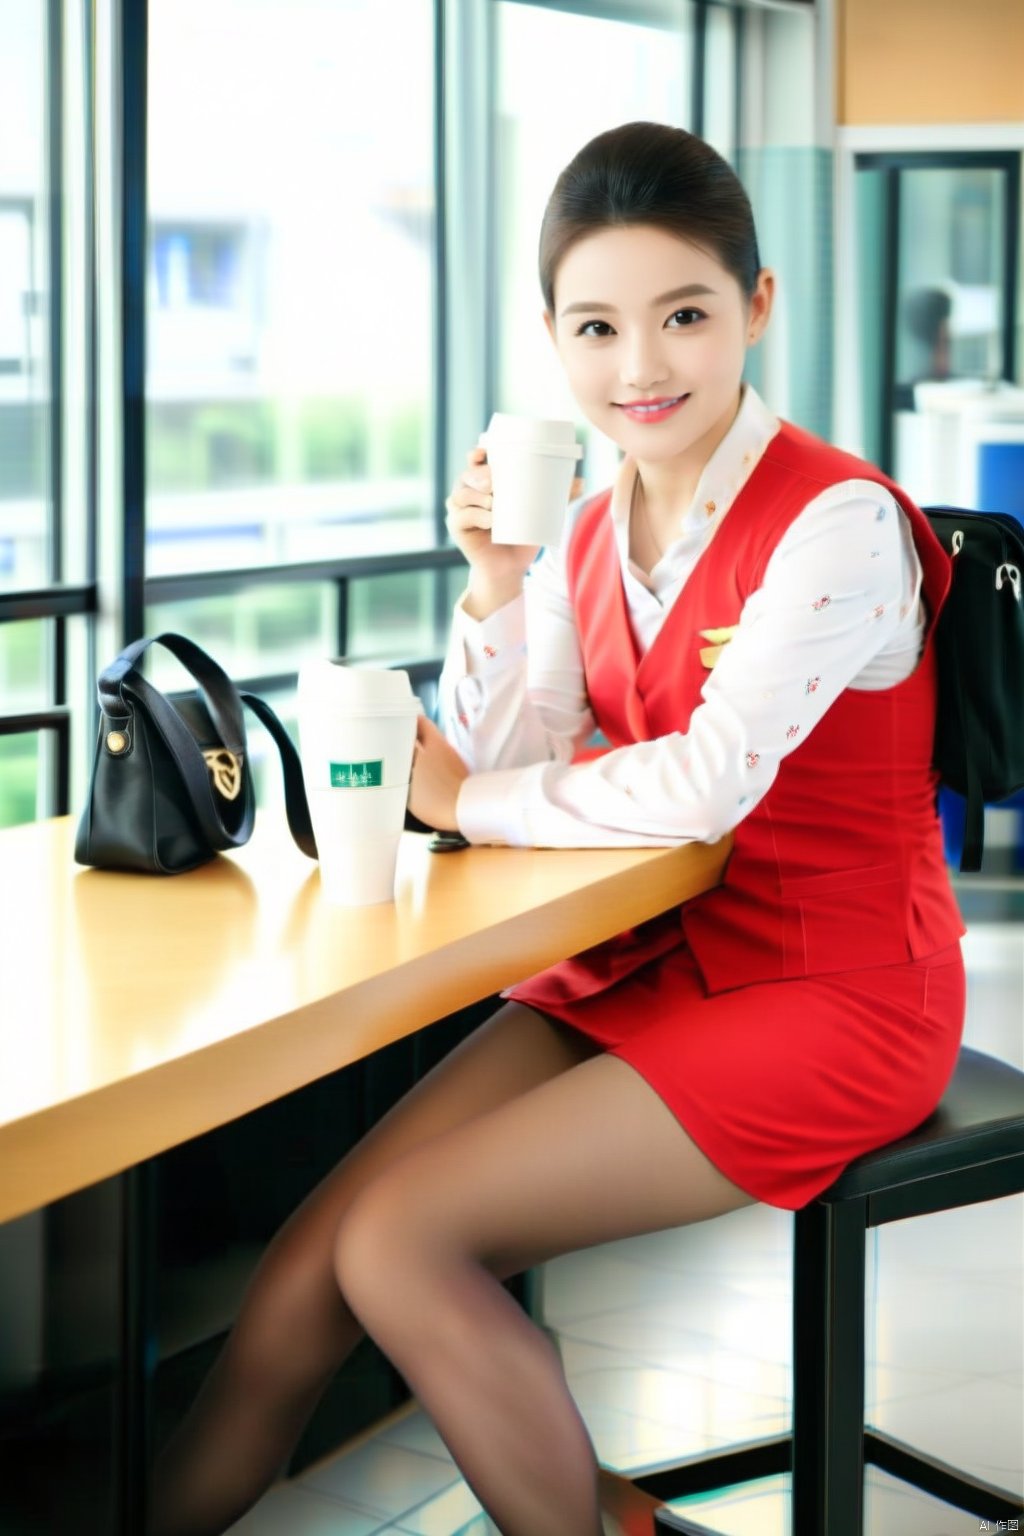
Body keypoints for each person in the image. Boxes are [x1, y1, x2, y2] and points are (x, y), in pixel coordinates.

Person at [149, 121, 965, 1536]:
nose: (639, 368)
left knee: (400, 1243)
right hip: (643, 961)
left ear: (757, 308)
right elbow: (529, 751)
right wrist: (497, 582)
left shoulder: (836, 522)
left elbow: (698, 782)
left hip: (834, 986)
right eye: (597, 327)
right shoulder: (586, 534)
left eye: (684, 316)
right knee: (305, 1269)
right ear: (552, 337)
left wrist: (466, 800)